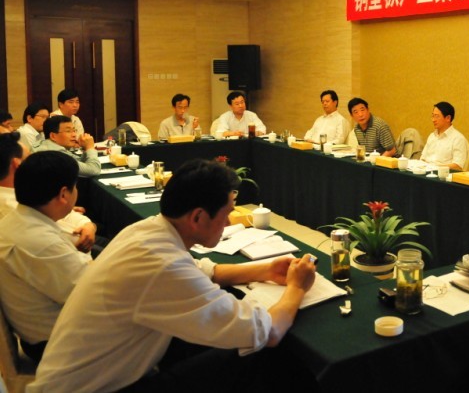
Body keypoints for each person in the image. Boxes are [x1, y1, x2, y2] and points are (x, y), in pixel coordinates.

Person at [30, 159, 318, 392]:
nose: (229, 220)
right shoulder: (161, 265)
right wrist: (296, 287)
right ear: (198, 217)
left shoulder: (146, 230)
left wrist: (265, 269)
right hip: (102, 388)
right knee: (263, 356)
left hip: (92, 375)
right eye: (227, 213)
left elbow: (201, 270)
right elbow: (267, 332)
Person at [0, 151, 92, 362]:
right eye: (75, 186)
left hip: (48, 334)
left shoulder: (21, 219)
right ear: (63, 194)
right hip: (61, 346)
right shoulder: (40, 242)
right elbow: (93, 296)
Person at [33, 115, 101, 177]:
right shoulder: (54, 156)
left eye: (74, 130)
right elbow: (94, 170)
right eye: (68, 131)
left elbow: (77, 162)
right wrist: (90, 148)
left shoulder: (47, 145)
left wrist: (85, 148)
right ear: (53, 136)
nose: (74, 135)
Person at [419, 101, 469, 170]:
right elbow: (423, 159)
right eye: (433, 116)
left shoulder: (458, 139)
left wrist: (436, 168)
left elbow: (458, 165)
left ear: (448, 118)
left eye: (437, 116)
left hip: (443, 174)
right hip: (426, 172)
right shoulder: (432, 136)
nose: (433, 120)